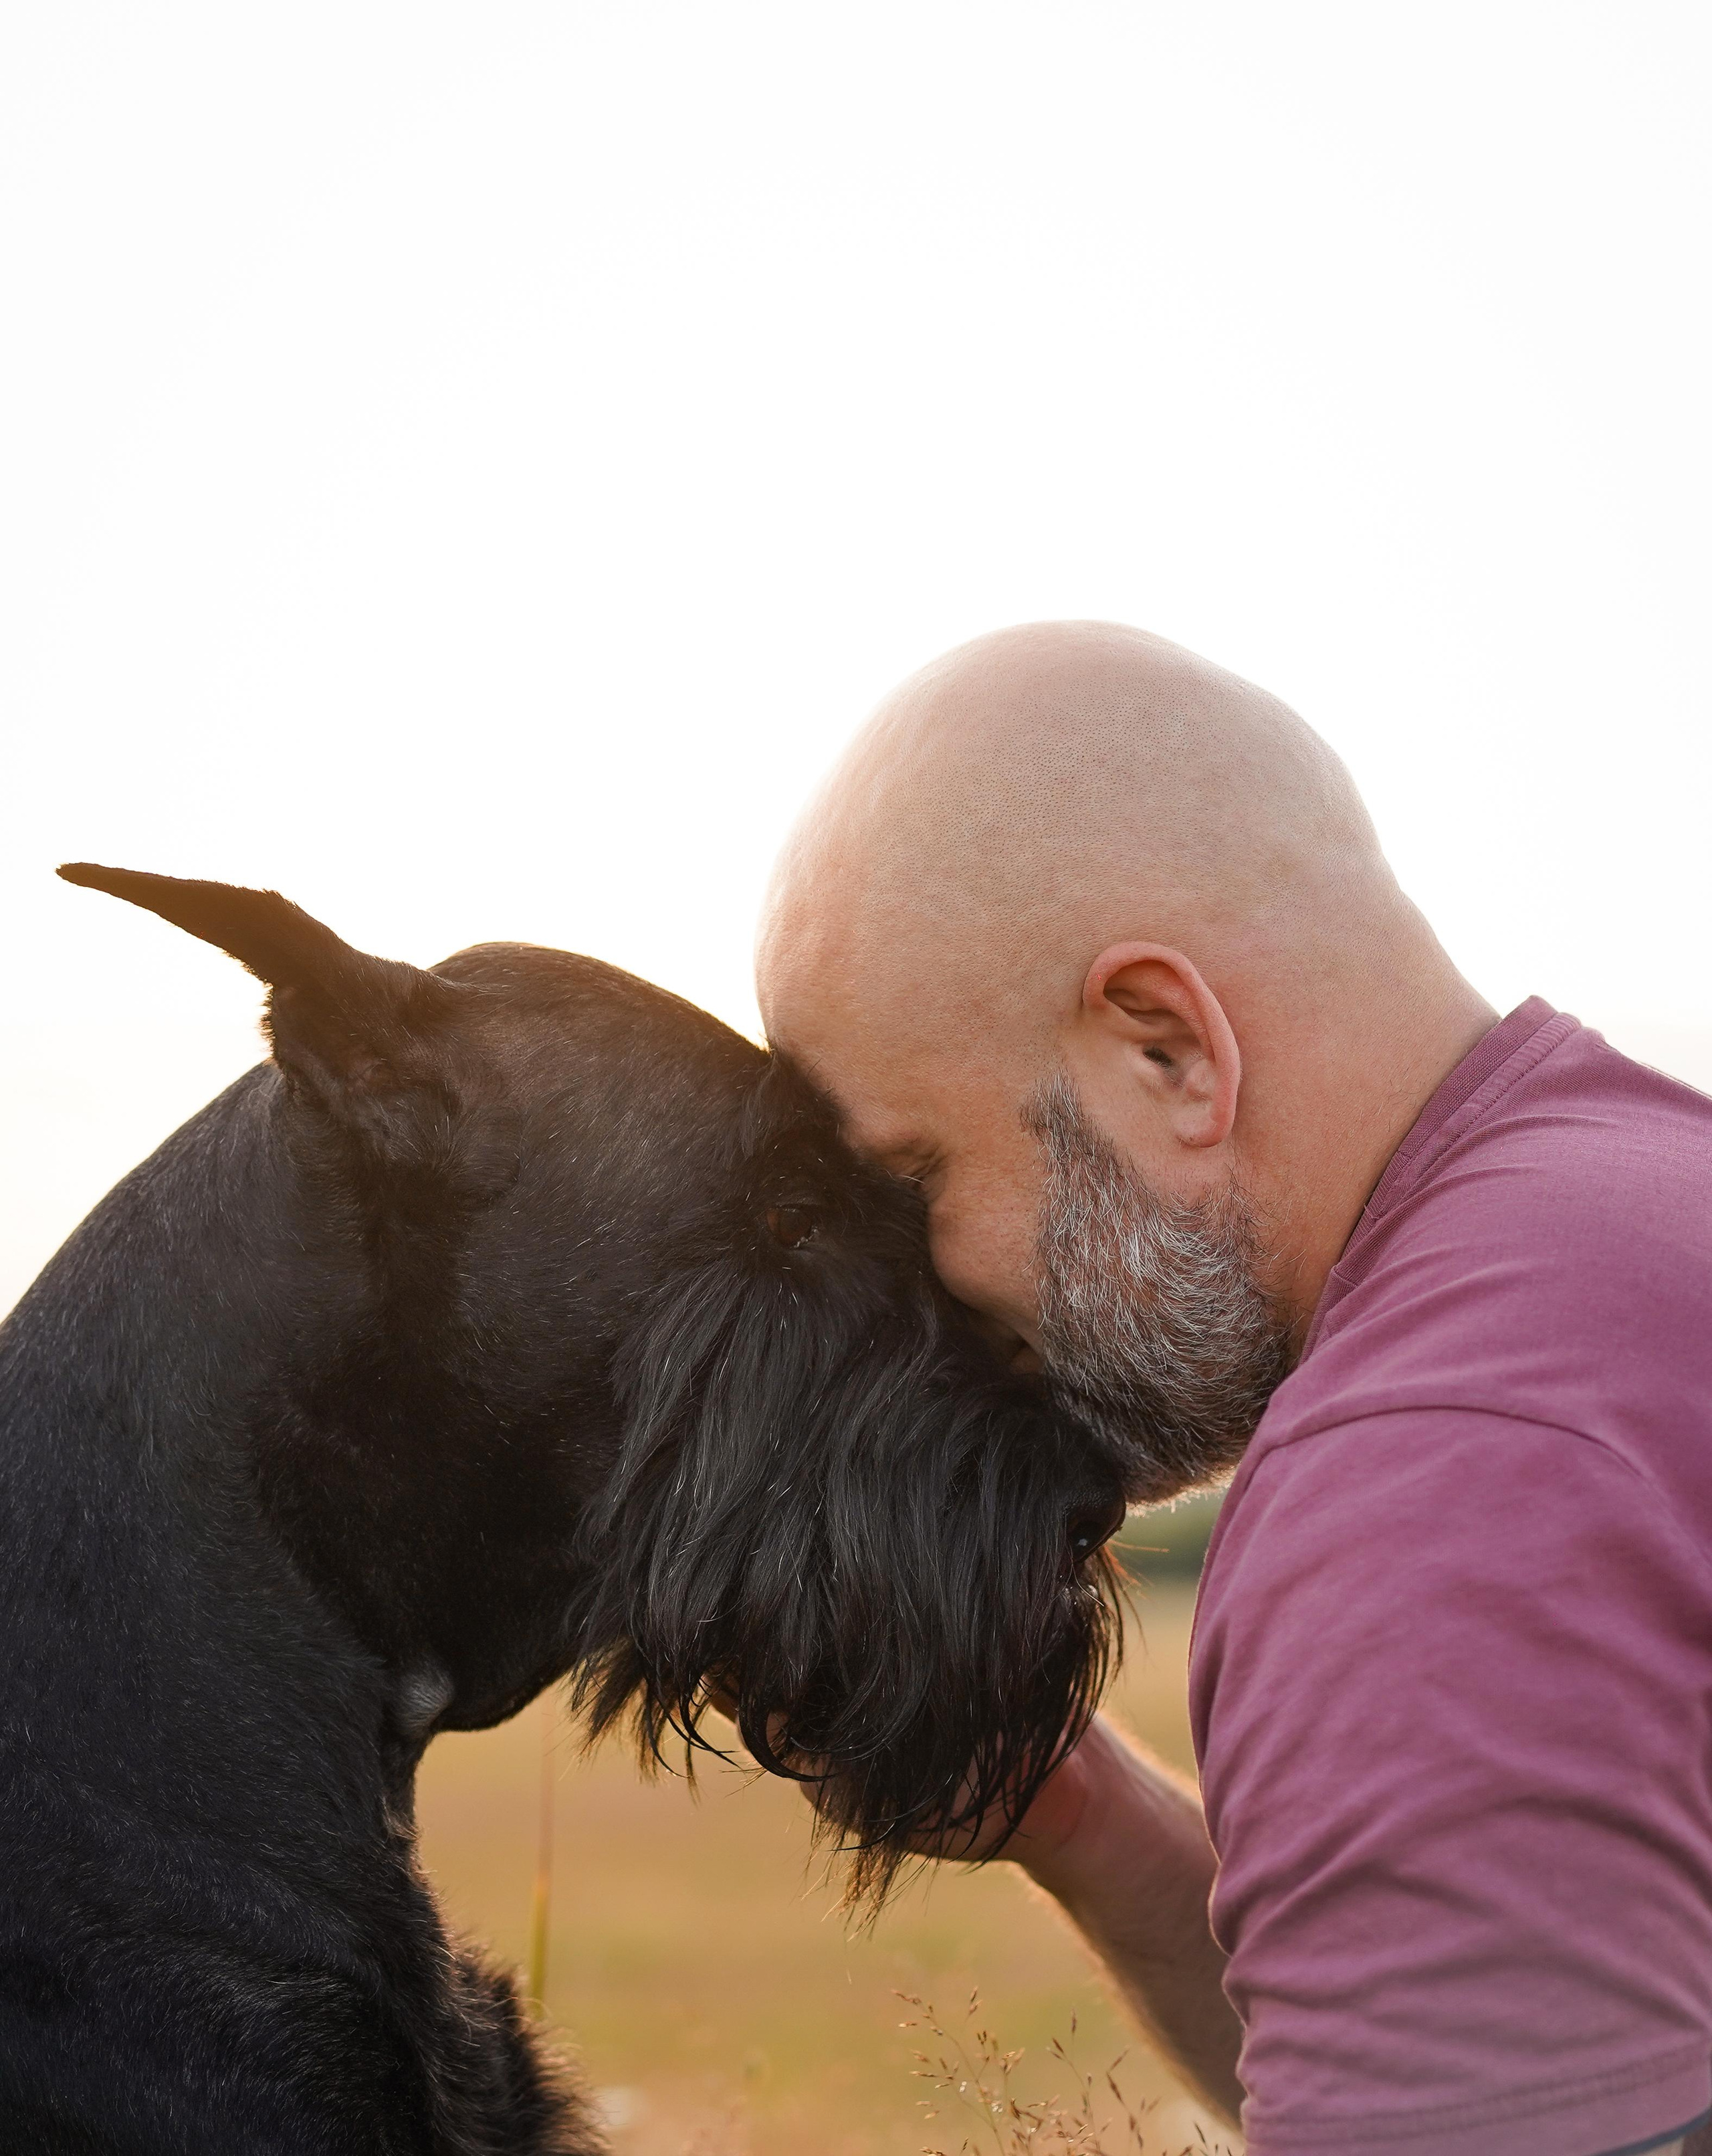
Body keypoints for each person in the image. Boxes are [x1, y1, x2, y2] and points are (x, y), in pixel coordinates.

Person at [754, 621, 1712, 2156]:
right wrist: (1083, 1824)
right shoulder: (1640, 1218)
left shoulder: (1426, 1484)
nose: (923, 1296)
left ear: (1164, 1048)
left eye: (913, 1175)